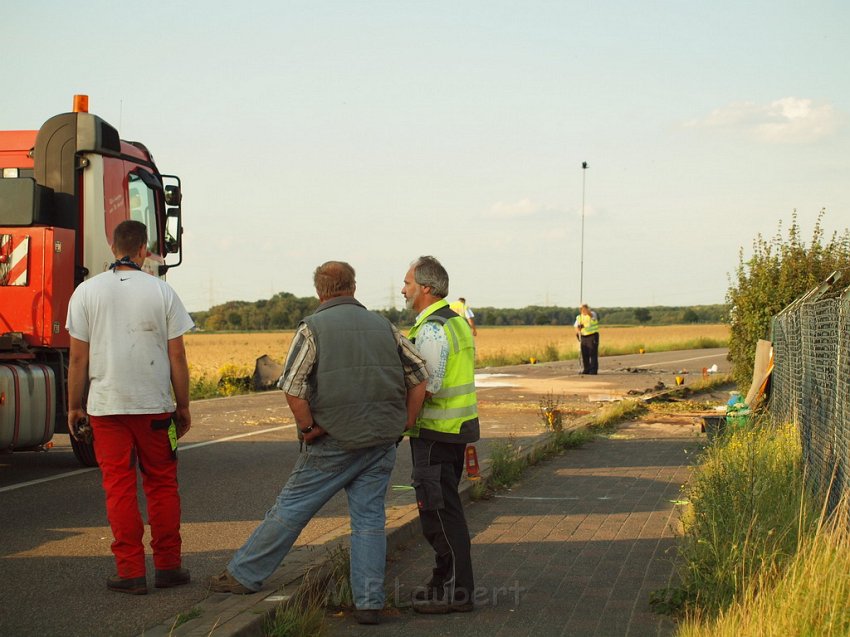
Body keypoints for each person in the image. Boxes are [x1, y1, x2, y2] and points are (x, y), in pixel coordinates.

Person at [209, 261, 428, 626]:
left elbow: (292, 385)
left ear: (320, 292)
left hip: (333, 441)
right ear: (353, 287)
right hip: (380, 442)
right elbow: (419, 375)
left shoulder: (313, 328)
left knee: (291, 508)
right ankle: (370, 602)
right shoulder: (383, 326)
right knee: (370, 520)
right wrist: (406, 421)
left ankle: (243, 576)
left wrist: (308, 426)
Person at [66, 220, 194, 595]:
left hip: (106, 409)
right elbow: (178, 356)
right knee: (162, 483)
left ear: (113, 248)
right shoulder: (162, 292)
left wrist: (75, 407)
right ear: (144, 249)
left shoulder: (86, 293)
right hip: (155, 408)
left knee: (119, 487)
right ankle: (169, 566)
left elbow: (77, 360)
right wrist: (182, 405)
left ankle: (131, 572)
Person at [402, 256, 479, 614]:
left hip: (436, 431)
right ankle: (442, 582)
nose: (403, 289)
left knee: (440, 513)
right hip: (453, 430)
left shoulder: (433, 327)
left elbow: (426, 386)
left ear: (426, 288)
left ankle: (457, 593)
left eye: (407, 283)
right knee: (443, 510)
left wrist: (401, 421)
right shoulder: (456, 321)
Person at [574, 303, 600, 375]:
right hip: (583, 336)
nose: (582, 310)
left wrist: (586, 309)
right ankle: (586, 369)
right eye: (581, 309)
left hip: (592, 336)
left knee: (592, 353)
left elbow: (591, 316)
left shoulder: (592, 314)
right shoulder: (579, 317)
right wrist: (578, 331)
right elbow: (576, 327)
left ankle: (593, 370)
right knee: (584, 353)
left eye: (584, 308)